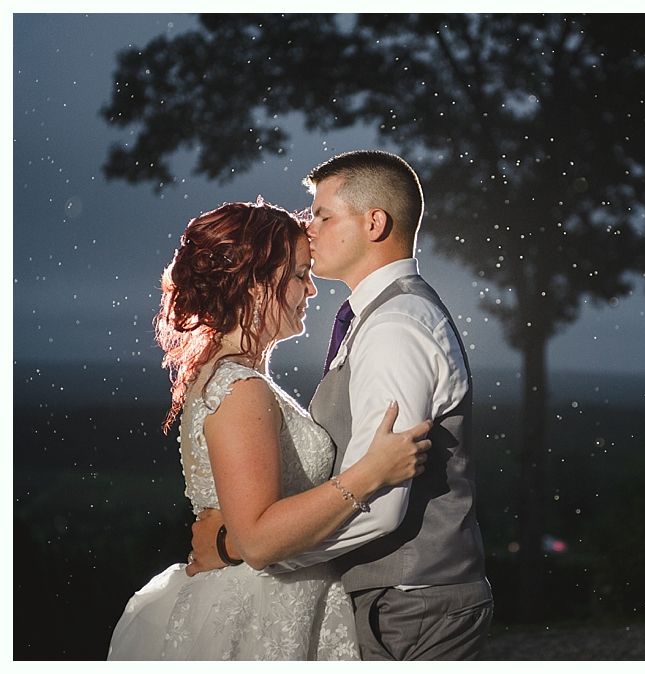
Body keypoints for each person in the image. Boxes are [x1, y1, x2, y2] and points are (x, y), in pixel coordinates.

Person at [189, 151, 493, 660]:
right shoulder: (372, 318)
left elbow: (383, 506)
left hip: (409, 604)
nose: (309, 229)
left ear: (375, 223)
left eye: (324, 216)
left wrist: (246, 550)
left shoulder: (396, 326)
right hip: (393, 602)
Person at [107, 198, 432, 660]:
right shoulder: (240, 389)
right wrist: (372, 472)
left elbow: (245, 534)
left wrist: (227, 543)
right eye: (300, 275)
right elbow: (258, 539)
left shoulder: (237, 377)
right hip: (259, 615)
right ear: (258, 284)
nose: (311, 291)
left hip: (275, 601)